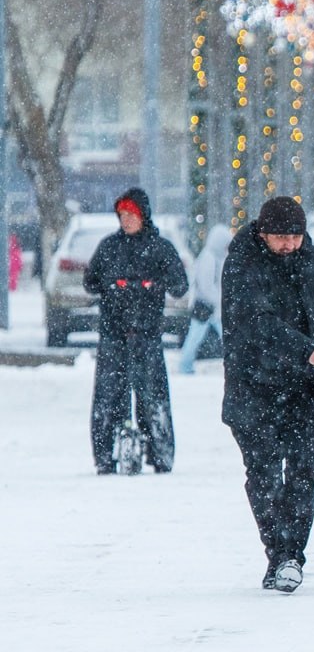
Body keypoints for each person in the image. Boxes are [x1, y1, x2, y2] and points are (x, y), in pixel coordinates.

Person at [221, 196, 314, 594]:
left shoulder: (312, 259)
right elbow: (257, 325)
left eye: (296, 235)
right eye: (281, 237)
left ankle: (290, 556)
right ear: (262, 233)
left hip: (309, 388)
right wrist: (307, 350)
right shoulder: (243, 263)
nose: (290, 244)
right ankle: (280, 553)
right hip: (254, 387)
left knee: (304, 470)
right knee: (263, 473)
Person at [84, 188, 189, 475]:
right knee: (108, 395)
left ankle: (159, 452)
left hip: (147, 334)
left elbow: (180, 284)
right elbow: (90, 281)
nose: (126, 220)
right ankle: (105, 454)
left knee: (152, 395)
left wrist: (155, 284)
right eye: (122, 215)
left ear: (143, 215)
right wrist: (111, 286)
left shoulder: (160, 248)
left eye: (131, 214)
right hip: (113, 333)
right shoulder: (108, 247)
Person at [178, 225, 232, 374]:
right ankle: (185, 366)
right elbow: (206, 285)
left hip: (210, 307)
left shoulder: (216, 257)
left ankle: (185, 365)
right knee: (197, 337)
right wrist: (219, 300)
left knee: (197, 337)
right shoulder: (209, 258)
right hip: (206, 306)